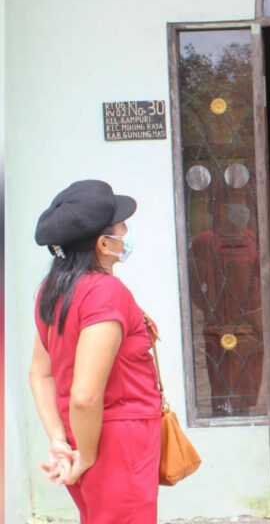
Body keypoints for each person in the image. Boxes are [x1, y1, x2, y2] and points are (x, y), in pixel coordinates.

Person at [29, 180, 161, 523]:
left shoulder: (52, 290)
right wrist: (86, 456)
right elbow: (85, 396)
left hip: (80, 435)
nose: (127, 233)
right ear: (104, 243)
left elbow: (40, 373)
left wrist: (60, 440)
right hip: (113, 441)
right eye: (122, 227)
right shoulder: (106, 293)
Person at [189, 182, 263, 415]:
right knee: (223, 377)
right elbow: (191, 282)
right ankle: (223, 414)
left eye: (243, 204)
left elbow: (260, 275)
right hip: (220, 322)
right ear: (219, 209)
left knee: (249, 377)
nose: (240, 209)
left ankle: (245, 413)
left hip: (252, 321)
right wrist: (208, 307)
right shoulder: (205, 240)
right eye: (233, 204)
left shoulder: (250, 237)